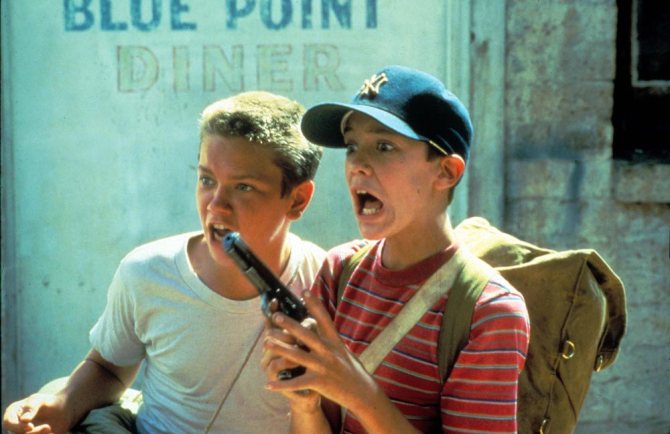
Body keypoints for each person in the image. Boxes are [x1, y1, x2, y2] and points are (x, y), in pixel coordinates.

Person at [3, 91, 326, 434]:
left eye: (244, 187)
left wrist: (305, 395)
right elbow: (109, 368)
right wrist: (62, 406)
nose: (216, 205)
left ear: (297, 200)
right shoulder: (147, 271)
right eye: (206, 180)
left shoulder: (325, 283)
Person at [261, 65, 530, 433]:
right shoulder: (340, 271)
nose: (357, 165)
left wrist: (360, 395)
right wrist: (305, 404)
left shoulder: (488, 312)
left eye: (384, 146)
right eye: (352, 147)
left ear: (446, 172)